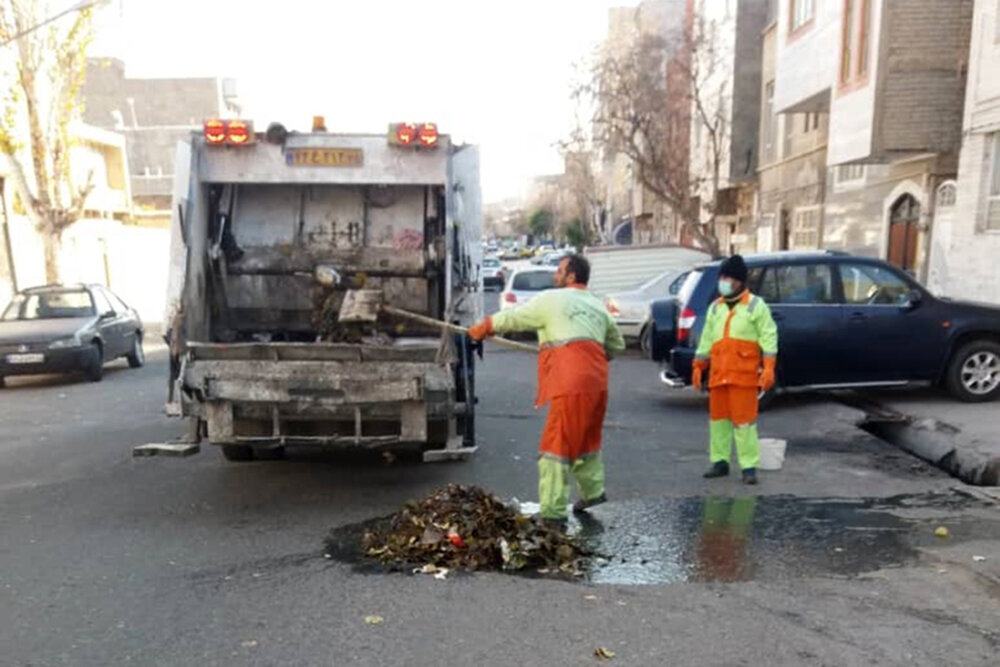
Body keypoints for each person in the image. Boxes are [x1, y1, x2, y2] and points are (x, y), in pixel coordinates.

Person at [467, 255, 625, 528]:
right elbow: (616, 346)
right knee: (587, 439)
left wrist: (484, 327)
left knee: (556, 447)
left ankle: (552, 512)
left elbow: (515, 318)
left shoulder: (552, 299)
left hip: (570, 383)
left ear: (572, 277)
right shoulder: (597, 307)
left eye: (560, 271)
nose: (556, 276)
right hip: (597, 384)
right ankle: (593, 492)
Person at [693, 255, 778, 485]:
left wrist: (769, 367)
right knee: (718, 421)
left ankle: (748, 466)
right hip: (719, 375)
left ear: (739, 281)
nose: (723, 281)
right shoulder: (715, 308)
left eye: (727, 277)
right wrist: (699, 364)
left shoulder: (755, 306)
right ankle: (720, 461)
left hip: (743, 376)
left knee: (744, 423)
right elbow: (707, 339)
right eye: (722, 277)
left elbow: (769, 337)